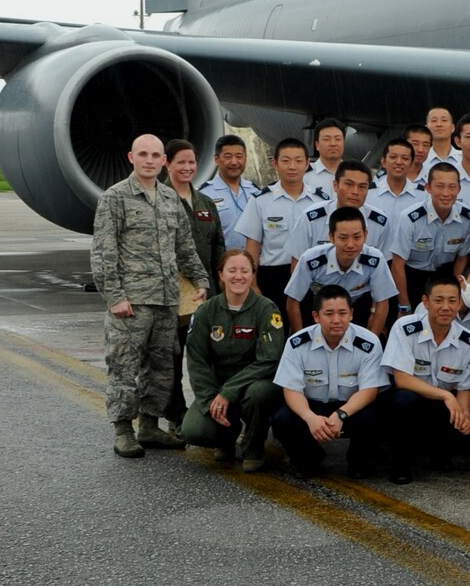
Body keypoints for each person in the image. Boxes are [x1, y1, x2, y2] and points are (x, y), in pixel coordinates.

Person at [94, 134, 210, 458]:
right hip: (131, 301)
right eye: (143, 154)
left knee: (161, 368)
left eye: (155, 155)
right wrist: (114, 296)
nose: (149, 160)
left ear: (163, 161)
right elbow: (104, 251)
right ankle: (122, 430)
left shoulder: (171, 200)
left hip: (166, 300)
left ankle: (148, 426)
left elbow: (185, 246)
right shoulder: (115, 198)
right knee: (124, 366)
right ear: (131, 157)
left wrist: (200, 278)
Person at [179, 250, 283, 472]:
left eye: (245, 271)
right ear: (221, 275)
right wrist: (210, 401)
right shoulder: (207, 312)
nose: (238, 276)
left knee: (259, 394)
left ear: (253, 275)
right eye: (232, 270)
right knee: (193, 431)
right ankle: (225, 438)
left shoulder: (266, 310)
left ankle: (254, 447)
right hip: (218, 387)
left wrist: (229, 391)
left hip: (252, 384)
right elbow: (197, 361)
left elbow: (269, 360)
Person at [271, 284, 389, 479]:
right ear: (316, 316)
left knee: (373, 415)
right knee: (282, 420)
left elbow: (369, 390)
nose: (336, 320)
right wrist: (310, 417)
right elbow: (291, 390)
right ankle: (309, 459)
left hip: (350, 407)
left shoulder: (368, 342)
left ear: (351, 314)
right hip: (312, 406)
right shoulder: (297, 343)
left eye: (342, 313)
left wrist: (341, 414)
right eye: (329, 313)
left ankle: (358, 461)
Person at [379, 274, 470, 484]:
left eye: (452, 301)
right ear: (425, 302)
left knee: (465, 413)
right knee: (404, 399)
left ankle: (440, 453)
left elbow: (465, 387)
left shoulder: (468, 342)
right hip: (412, 401)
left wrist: (465, 415)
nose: (446, 307)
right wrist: (446, 396)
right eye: (438, 300)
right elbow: (402, 379)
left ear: (460, 303)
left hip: (442, 407)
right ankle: (401, 466)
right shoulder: (405, 328)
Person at [163, 138, 225, 426]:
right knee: (172, 358)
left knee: (209, 356)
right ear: (168, 163)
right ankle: (175, 412)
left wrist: (221, 288)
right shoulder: (159, 200)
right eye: (181, 162)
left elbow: (218, 248)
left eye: (191, 162)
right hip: (171, 294)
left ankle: (211, 411)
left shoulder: (205, 203)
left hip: (204, 294)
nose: (187, 167)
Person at [235, 138, 329, 311]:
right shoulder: (260, 200)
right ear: (275, 164)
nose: (292, 166)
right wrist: (252, 283)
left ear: (307, 164)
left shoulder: (321, 202)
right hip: (273, 277)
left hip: (313, 275)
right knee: (274, 329)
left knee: (311, 329)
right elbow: (253, 245)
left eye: (298, 161)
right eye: (285, 161)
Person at [283, 207, 398, 336]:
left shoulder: (375, 259)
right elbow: (293, 300)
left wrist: (372, 340)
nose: (350, 244)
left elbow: (383, 302)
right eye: (343, 238)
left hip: (356, 307)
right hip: (316, 307)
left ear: (365, 235)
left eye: (357, 237)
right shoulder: (311, 259)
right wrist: (300, 336)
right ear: (331, 237)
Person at [394, 163, 470, 304]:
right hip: (412, 277)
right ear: (428, 188)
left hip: (446, 277)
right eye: (439, 186)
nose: (446, 193)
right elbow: (397, 264)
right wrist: (404, 305)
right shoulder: (410, 218)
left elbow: (462, 258)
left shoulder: (468, 218)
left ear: (459, 189)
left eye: (452, 187)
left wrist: (455, 294)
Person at [199, 134, 263, 250]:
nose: (234, 162)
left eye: (239, 156)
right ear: (216, 159)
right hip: (221, 264)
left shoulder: (255, 192)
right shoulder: (204, 195)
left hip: (252, 263)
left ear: (245, 158)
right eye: (228, 157)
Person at [305, 118, 348, 194]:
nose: (333, 144)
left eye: (338, 139)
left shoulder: (354, 174)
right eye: (326, 139)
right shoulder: (303, 175)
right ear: (317, 145)